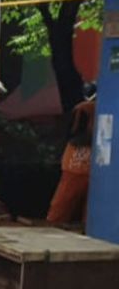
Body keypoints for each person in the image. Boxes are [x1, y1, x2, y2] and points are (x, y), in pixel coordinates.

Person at [47, 83, 97, 225]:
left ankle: (53, 226)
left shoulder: (83, 108)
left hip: (79, 165)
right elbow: (75, 135)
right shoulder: (86, 109)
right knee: (72, 205)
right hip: (83, 166)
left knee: (63, 206)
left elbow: (70, 134)